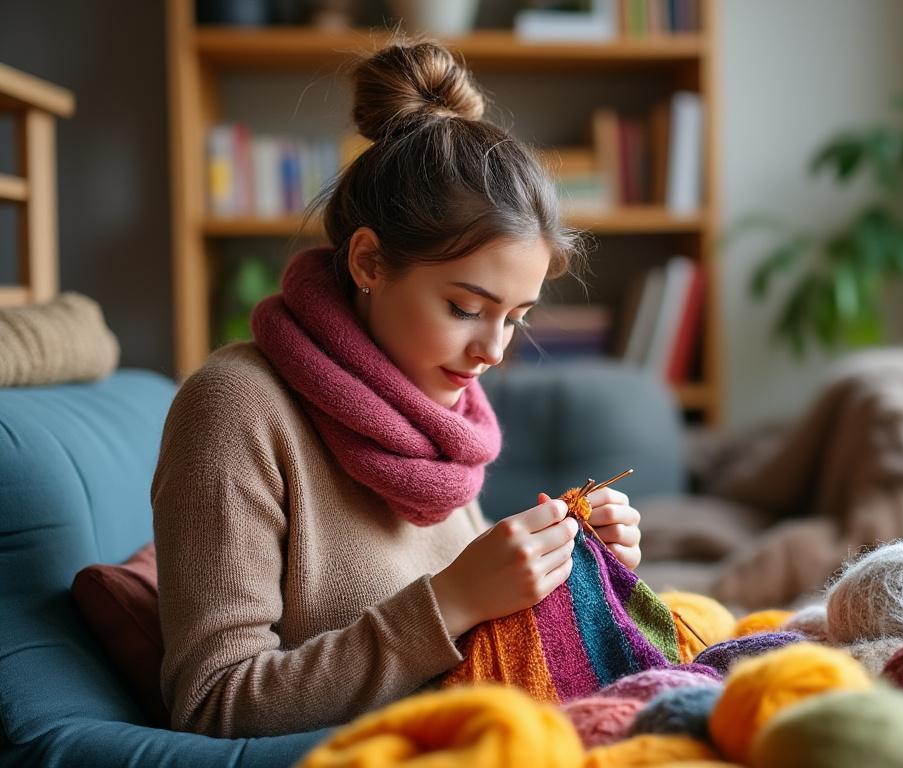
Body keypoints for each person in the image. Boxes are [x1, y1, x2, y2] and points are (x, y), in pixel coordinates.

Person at [151, 39, 643, 738]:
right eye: (466, 308)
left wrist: (581, 576)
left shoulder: (436, 411)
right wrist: (449, 602)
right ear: (370, 261)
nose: (493, 350)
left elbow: (475, 654)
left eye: (515, 318)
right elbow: (215, 705)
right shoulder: (234, 408)